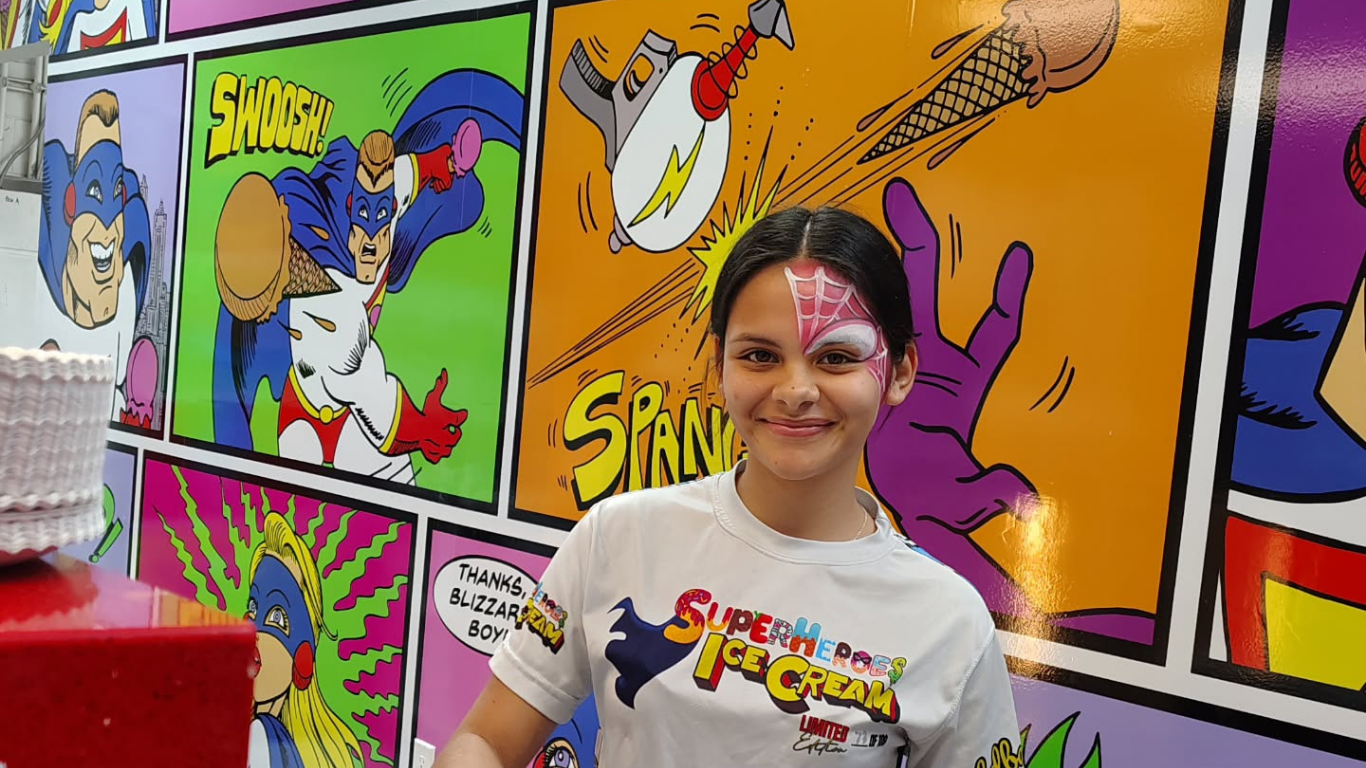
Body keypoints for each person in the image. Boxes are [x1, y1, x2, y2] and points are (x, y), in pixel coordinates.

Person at [439, 203, 1020, 767]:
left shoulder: (950, 625)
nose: (796, 391)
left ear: (899, 371)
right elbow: (486, 740)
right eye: (761, 355)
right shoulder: (617, 536)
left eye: (837, 358)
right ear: (719, 366)